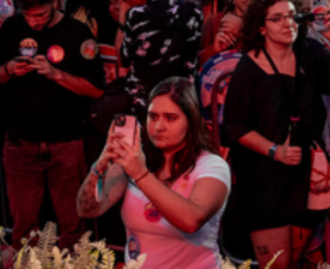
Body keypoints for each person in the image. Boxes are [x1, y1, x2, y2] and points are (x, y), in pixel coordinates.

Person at [223, 0, 330, 268]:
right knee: (277, 265)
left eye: (293, 16)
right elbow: (235, 127)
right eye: (277, 18)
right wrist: (275, 151)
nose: (288, 24)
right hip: (264, 180)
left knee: (295, 260)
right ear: (260, 27)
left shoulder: (308, 51)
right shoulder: (248, 69)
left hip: (306, 174)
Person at [0, 0, 105, 249]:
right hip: (20, 143)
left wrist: (57, 75)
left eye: (40, 15)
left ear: (55, 0)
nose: (33, 22)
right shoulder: (12, 28)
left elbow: (96, 89)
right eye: (28, 15)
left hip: (66, 143)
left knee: (73, 226)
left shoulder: (77, 33)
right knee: (24, 227)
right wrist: (8, 69)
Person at [77, 78, 231, 269]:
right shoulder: (133, 162)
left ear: (190, 121)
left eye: (170, 118)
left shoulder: (212, 166)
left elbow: (192, 220)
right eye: (153, 117)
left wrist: (140, 175)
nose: (159, 127)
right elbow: (87, 210)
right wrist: (99, 166)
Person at [115, 0, 203, 114]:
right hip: (182, 102)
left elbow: (124, 60)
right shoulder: (192, 12)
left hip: (146, 104)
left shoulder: (136, 15)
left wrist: (122, 15)